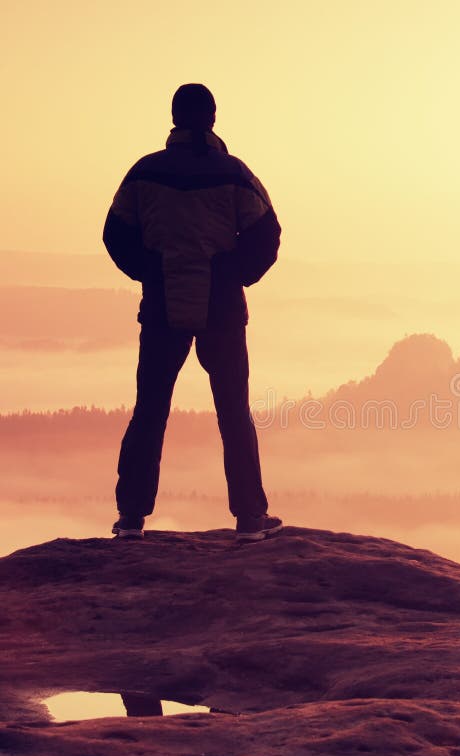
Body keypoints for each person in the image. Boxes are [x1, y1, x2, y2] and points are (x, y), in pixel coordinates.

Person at [102, 83, 283, 542]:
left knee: (150, 409)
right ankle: (249, 518)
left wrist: (151, 269)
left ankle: (131, 518)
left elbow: (114, 234)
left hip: (162, 305)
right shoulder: (234, 174)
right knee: (233, 411)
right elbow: (268, 234)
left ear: (174, 118)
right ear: (213, 119)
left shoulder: (144, 172)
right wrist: (233, 273)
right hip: (221, 308)